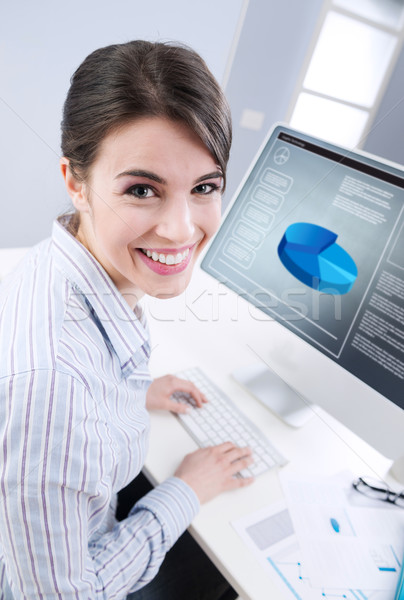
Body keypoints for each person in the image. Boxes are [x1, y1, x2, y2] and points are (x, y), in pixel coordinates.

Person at [0, 40, 254, 599]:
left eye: (204, 188)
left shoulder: (64, 263)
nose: (181, 229)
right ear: (75, 181)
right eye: (142, 190)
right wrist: (186, 488)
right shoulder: (54, 388)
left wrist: (129, 390)